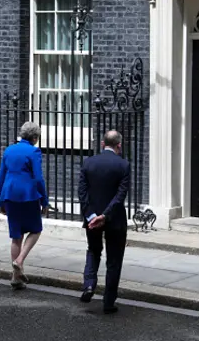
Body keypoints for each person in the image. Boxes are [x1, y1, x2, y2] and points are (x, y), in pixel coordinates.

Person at [77, 130, 130, 314]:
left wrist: (91, 215)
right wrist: (105, 216)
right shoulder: (123, 165)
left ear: (102, 144)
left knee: (93, 250)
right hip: (114, 219)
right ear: (119, 146)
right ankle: (108, 302)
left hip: (92, 219)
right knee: (114, 260)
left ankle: (89, 285)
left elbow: (82, 193)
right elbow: (119, 196)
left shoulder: (88, 163)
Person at [0, 121, 49, 290]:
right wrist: (45, 200)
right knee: (36, 230)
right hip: (27, 195)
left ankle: (16, 278)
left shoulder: (9, 150)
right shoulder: (34, 151)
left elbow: (1, 177)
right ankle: (19, 261)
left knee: (16, 235)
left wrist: (0, 201)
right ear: (34, 137)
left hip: (9, 195)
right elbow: (38, 178)